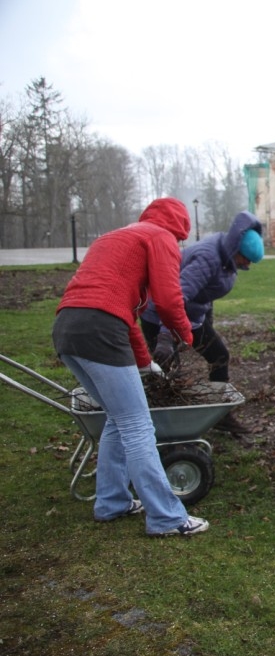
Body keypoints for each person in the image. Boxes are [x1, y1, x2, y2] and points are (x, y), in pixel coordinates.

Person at [52, 197, 209, 537]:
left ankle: (112, 502)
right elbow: (168, 299)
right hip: (100, 329)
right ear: (180, 230)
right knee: (138, 425)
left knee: (116, 418)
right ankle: (167, 518)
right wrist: (186, 333)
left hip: (67, 327)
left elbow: (124, 313)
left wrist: (146, 362)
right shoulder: (161, 237)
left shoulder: (118, 236)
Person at [140, 211, 264, 436]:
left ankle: (221, 417)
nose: (247, 264)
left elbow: (205, 296)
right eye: (246, 258)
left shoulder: (226, 258)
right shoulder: (208, 258)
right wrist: (166, 337)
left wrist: (208, 325)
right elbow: (176, 297)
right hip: (159, 316)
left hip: (189, 316)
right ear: (236, 248)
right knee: (167, 371)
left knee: (218, 355)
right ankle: (164, 428)